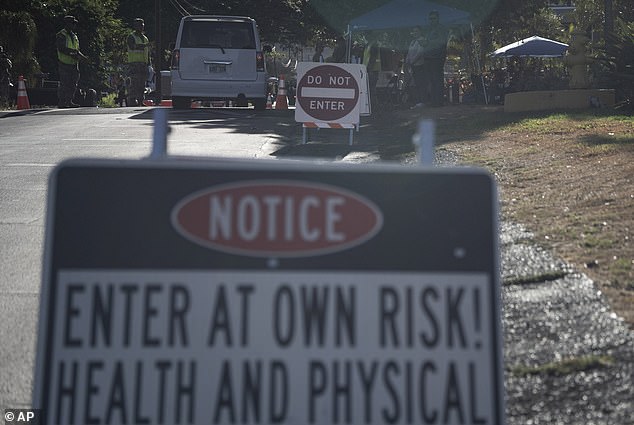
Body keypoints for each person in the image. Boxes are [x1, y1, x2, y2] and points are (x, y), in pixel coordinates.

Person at [56, 15, 87, 108]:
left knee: (73, 83)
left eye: (74, 24)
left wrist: (83, 57)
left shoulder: (74, 36)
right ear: (67, 24)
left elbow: (77, 50)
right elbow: (61, 48)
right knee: (64, 83)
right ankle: (62, 102)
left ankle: (69, 101)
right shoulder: (61, 34)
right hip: (64, 63)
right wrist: (73, 54)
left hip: (74, 63)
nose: (74, 26)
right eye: (72, 23)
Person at [422, 10, 449, 106]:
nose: (431, 20)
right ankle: (433, 101)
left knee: (437, 79)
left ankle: (439, 101)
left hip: (437, 57)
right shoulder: (429, 30)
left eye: (433, 18)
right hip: (428, 57)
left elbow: (441, 41)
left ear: (437, 19)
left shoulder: (441, 29)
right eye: (430, 19)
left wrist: (428, 42)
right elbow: (426, 42)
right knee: (431, 80)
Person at [126, 18, 151, 106]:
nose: (141, 27)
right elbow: (132, 47)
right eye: (139, 25)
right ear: (135, 26)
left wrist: (149, 63)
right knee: (134, 82)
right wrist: (144, 46)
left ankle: (140, 100)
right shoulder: (131, 37)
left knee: (142, 83)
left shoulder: (145, 38)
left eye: (142, 25)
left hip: (143, 64)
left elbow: (147, 52)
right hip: (134, 63)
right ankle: (132, 100)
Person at [405, 26, 425, 108]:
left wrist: (413, 61)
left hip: (419, 65)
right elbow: (409, 52)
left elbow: (420, 52)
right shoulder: (412, 41)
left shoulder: (421, 40)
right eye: (414, 31)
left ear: (420, 31)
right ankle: (417, 101)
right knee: (414, 84)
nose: (415, 33)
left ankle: (421, 101)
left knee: (420, 83)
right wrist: (407, 61)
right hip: (412, 66)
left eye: (417, 31)